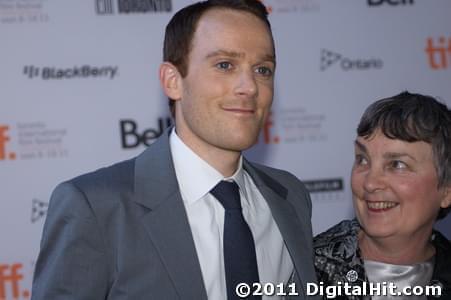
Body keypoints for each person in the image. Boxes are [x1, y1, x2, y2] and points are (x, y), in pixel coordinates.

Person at [31, 0, 319, 299]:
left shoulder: (289, 196)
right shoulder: (96, 208)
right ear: (173, 81)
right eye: (224, 65)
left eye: (263, 69)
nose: (249, 86)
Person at [314, 92, 451, 299]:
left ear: (447, 191)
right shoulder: (306, 269)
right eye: (362, 159)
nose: (370, 183)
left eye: (397, 164)